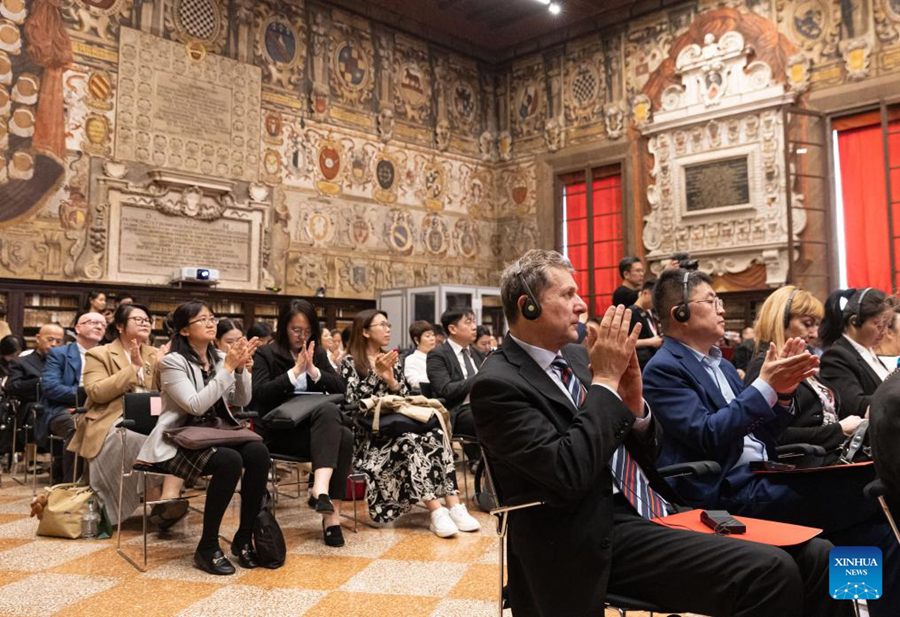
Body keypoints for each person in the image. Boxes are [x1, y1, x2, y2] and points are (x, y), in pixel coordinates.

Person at [471, 250, 845, 617]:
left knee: (822, 554)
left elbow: (645, 454)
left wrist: (636, 410)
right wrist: (604, 383)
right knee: (772, 571)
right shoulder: (499, 383)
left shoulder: (577, 361)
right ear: (528, 306)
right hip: (588, 535)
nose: (583, 305)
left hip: (656, 507)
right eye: (568, 294)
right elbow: (568, 472)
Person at [642, 269, 899, 617]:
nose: (721, 309)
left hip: (767, 473)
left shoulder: (723, 365)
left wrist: (780, 397)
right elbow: (707, 435)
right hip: (725, 490)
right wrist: (764, 388)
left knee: (873, 528)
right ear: (680, 314)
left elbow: (763, 435)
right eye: (711, 301)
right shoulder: (664, 369)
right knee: (870, 492)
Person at [138, 301, 267, 575]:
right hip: (178, 438)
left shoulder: (221, 358)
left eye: (212, 318)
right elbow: (195, 406)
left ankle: (243, 537)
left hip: (215, 433)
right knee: (230, 461)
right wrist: (229, 368)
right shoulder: (173, 362)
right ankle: (207, 546)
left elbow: (242, 400)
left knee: (258, 452)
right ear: (184, 330)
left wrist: (242, 369)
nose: (211, 324)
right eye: (203, 320)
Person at [341, 309, 479, 537]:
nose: (388, 330)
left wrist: (391, 381)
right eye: (382, 325)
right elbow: (353, 403)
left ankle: (454, 505)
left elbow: (405, 395)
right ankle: (436, 511)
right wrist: (376, 375)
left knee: (436, 436)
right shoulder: (349, 362)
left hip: (398, 424)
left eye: (388, 325)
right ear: (365, 331)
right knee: (410, 441)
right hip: (372, 436)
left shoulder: (391, 358)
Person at [69, 304, 183, 525]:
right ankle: (158, 504)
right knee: (136, 438)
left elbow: (167, 393)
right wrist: (132, 369)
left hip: (153, 417)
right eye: (138, 319)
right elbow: (96, 392)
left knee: (178, 435)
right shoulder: (99, 354)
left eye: (147, 320)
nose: (145, 323)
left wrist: (163, 367)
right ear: (120, 326)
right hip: (111, 419)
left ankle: (168, 499)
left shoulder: (155, 353)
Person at [251, 299, 351, 547]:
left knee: (339, 427)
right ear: (283, 327)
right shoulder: (266, 353)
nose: (302, 336)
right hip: (280, 432)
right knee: (339, 431)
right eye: (296, 330)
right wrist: (294, 372)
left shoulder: (316, 351)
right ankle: (326, 505)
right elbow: (260, 395)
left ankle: (327, 505)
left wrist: (314, 370)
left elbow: (342, 388)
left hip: (315, 432)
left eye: (307, 331)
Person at [744, 286, 864, 461]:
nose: (814, 333)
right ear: (780, 320)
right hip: (803, 467)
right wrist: (839, 430)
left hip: (832, 456)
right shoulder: (764, 366)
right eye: (807, 324)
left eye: (817, 325)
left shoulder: (805, 363)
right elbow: (770, 434)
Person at [40, 312, 106, 483]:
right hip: (65, 409)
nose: (99, 327)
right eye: (93, 322)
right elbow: (51, 388)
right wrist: (88, 394)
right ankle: (72, 487)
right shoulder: (59, 354)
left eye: (103, 325)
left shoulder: (108, 354)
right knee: (78, 425)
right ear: (78, 328)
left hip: (102, 409)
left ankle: (106, 484)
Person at [819, 288, 895, 417]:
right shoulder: (836, 357)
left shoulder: (869, 353)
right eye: (878, 325)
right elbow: (854, 405)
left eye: (887, 325)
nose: (884, 332)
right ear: (854, 321)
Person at [5, 323, 65, 403]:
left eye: (58, 341)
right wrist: (40, 381)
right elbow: (11, 387)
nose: (54, 344)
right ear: (38, 338)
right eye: (50, 339)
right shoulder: (21, 362)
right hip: (35, 408)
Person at [628, 279, 661, 369]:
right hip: (640, 361)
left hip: (652, 358)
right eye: (655, 298)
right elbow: (625, 341)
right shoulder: (631, 312)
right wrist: (650, 342)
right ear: (645, 293)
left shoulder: (649, 312)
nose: (656, 302)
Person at [403, 320, 435, 391]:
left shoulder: (438, 356)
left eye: (433, 335)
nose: (432, 338)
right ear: (417, 340)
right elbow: (414, 382)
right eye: (428, 336)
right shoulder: (411, 359)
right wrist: (435, 377)